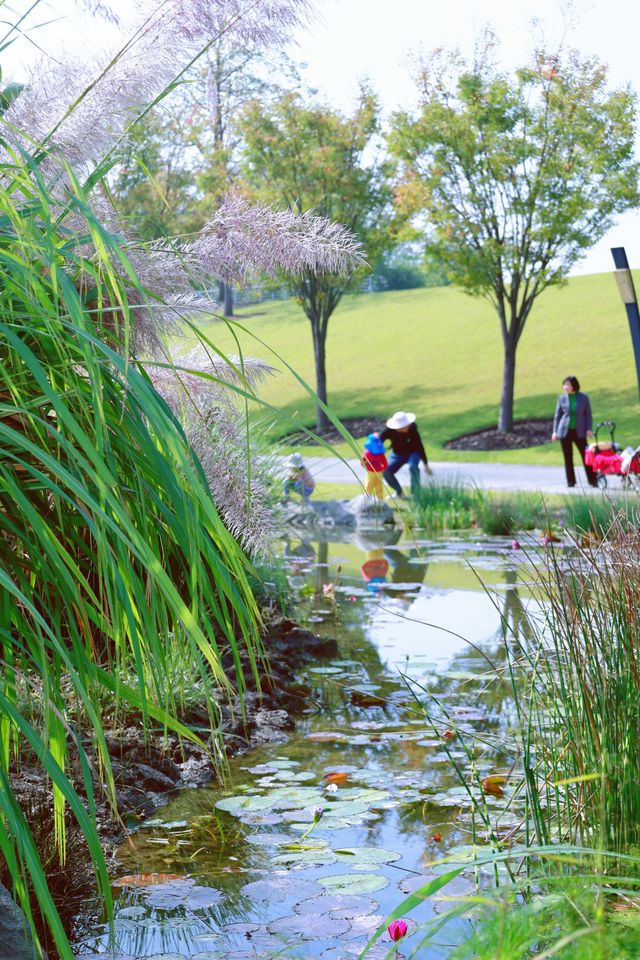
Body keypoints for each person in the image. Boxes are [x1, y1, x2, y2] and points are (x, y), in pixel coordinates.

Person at [551, 375, 597, 488]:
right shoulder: (561, 398)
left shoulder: (583, 397)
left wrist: (589, 429)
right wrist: (554, 431)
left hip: (579, 431)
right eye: (564, 384)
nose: (565, 387)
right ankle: (571, 481)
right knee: (568, 457)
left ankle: (593, 480)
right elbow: (557, 416)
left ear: (574, 386)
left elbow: (588, 414)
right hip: (564, 432)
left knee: (586, 456)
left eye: (568, 384)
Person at [378, 411, 432, 499]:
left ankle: (415, 494)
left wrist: (425, 464)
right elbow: (378, 440)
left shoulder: (412, 428)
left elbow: (419, 445)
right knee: (385, 470)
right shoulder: (389, 430)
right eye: (404, 427)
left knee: (413, 467)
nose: (407, 428)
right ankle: (399, 493)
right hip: (397, 454)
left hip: (413, 453)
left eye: (407, 425)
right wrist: (376, 453)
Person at [361, 433, 388, 499]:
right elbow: (363, 460)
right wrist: (365, 466)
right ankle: (367, 498)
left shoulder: (380, 454)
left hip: (378, 472)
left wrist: (384, 467)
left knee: (378, 485)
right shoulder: (367, 453)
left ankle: (380, 499)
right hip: (372, 471)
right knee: (369, 484)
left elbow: (384, 462)